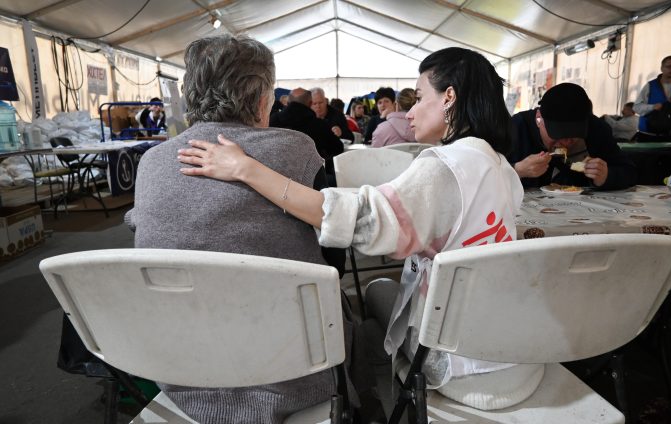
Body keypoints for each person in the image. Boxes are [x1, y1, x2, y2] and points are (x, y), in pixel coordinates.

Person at [178, 47, 544, 411]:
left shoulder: (444, 167)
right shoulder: (501, 166)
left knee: (375, 291)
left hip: (458, 363)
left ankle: (376, 404)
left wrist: (245, 169)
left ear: (449, 97)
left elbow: (361, 223)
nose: (411, 112)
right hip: (512, 347)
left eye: (418, 98)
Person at [124, 35, 344, 423]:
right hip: (295, 370)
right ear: (263, 98)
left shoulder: (152, 163)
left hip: (184, 371)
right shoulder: (297, 150)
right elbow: (335, 256)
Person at [509, 82, 637, 190]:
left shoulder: (596, 129)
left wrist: (607, 176)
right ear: (539, 118)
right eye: (557, 135)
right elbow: (490, 175)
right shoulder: (515, 128)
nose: (565, 143)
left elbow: (630, 172)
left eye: (574, 136)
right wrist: (516, 170)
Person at [270, 87, 344, 186]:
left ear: (287, 102)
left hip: (276, 179)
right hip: (312, 183)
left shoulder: (273, 121)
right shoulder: (319, 125)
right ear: (310, 104)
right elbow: (338, 148)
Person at [634, 55, 671, 143]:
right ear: (662, 68)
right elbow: (636, 107)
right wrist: (652, 107)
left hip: (669, 134)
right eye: (669, 66)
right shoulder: (650, 86)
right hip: (647, 134)